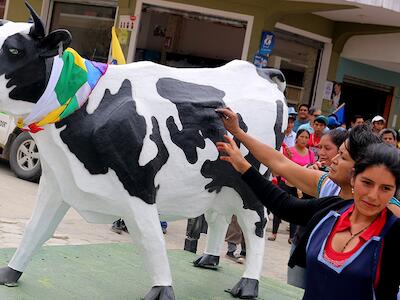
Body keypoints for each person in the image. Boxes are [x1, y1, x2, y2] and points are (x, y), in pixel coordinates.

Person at [217, 138, 400, 300]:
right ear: (353, 179)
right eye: (367, 183)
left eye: (385, 188)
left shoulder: (393, 233)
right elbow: (284, 205)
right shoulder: (331, 211)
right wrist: (244, 166)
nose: (373, 195)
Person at [268, 129, 315, 243]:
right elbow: (282, 165)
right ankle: (274, 233)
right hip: (286, 182)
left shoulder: (310, 154)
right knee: (279, 207)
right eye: (302, 137)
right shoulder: (290, 151)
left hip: (300, 186)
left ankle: (291, 236)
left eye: (306, 137)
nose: (304, 139)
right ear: (297, 138)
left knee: (295, 210)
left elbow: (312, 168)